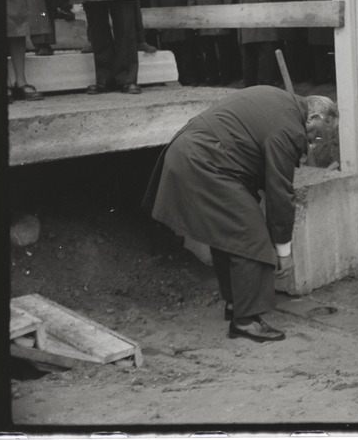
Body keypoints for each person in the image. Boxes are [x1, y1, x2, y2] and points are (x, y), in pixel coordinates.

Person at [143, 86, 340, 342]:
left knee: (230, 233)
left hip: (194, 154)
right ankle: (246, 321)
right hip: (205, 162)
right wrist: (284, 251)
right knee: (251, 235)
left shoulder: (280, 101)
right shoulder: (288, 126)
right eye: (316, 136)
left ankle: (236, 304)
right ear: (313, 117)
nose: (312, 143)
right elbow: (279, 191)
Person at [149, 0, 200, 86]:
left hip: (184, 22)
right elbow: (154, 3)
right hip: (167, 24)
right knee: (170, 52)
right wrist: (158, 23)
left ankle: (190, 80)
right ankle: (173, 80)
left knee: (187, 53)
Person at [188, 0, 233, 86]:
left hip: (220, 21)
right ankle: (212, 78)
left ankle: (226, 77)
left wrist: (226, 19)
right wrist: (194, 20)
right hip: (204, 22)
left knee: (224, 51)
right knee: (208, 51)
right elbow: (191, 0)